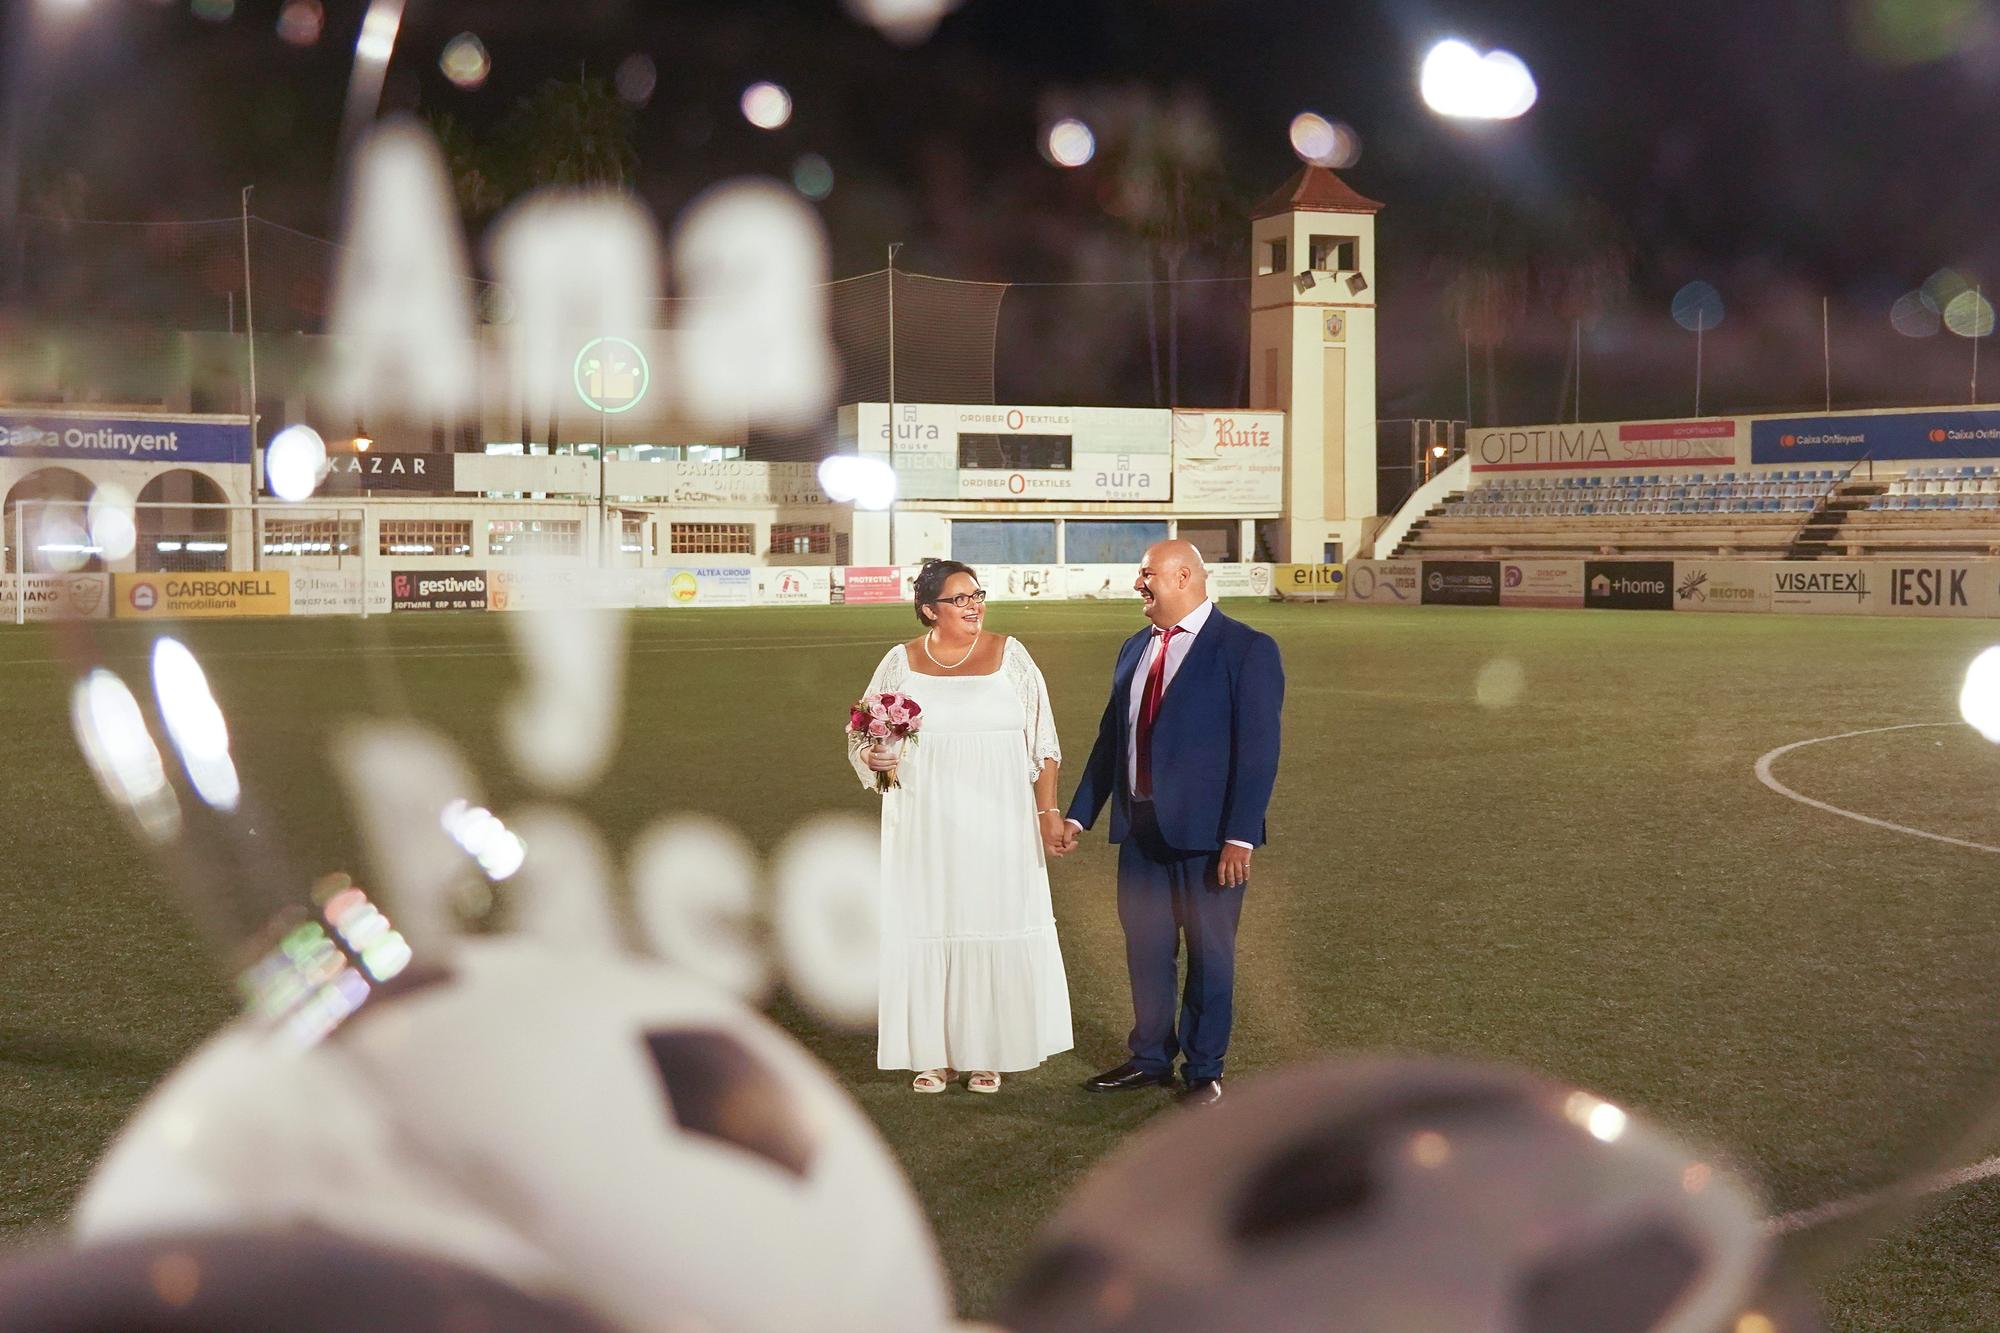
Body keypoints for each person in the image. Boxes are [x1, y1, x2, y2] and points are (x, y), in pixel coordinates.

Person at [1058, 540, 1284, 1107]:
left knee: (1211, 955)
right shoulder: (1134, 647)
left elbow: (1259, 752)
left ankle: (1204, 1069)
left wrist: (1240, 835)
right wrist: (1081, 815)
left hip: (1210, 841)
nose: (1140, 584)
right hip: (1140, 833)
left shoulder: (1247, 649)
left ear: (1184, 576)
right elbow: (1112, 741)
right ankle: (1151, 1058)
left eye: (1148, 573)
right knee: (1147, 950)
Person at [850, 558, 1074, 1094]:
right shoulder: (898, 662)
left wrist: (1046, 813)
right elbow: (864, 732)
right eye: (960, 598)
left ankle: (986, 1051)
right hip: (924, 823)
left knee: (990, 916)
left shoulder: (1011, 655)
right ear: (930, 610)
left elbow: (1043, 742)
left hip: (999, 822)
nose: (974, 605)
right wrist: (875, 757)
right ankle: (933, 1053)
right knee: (932, 919)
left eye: (977, 595)